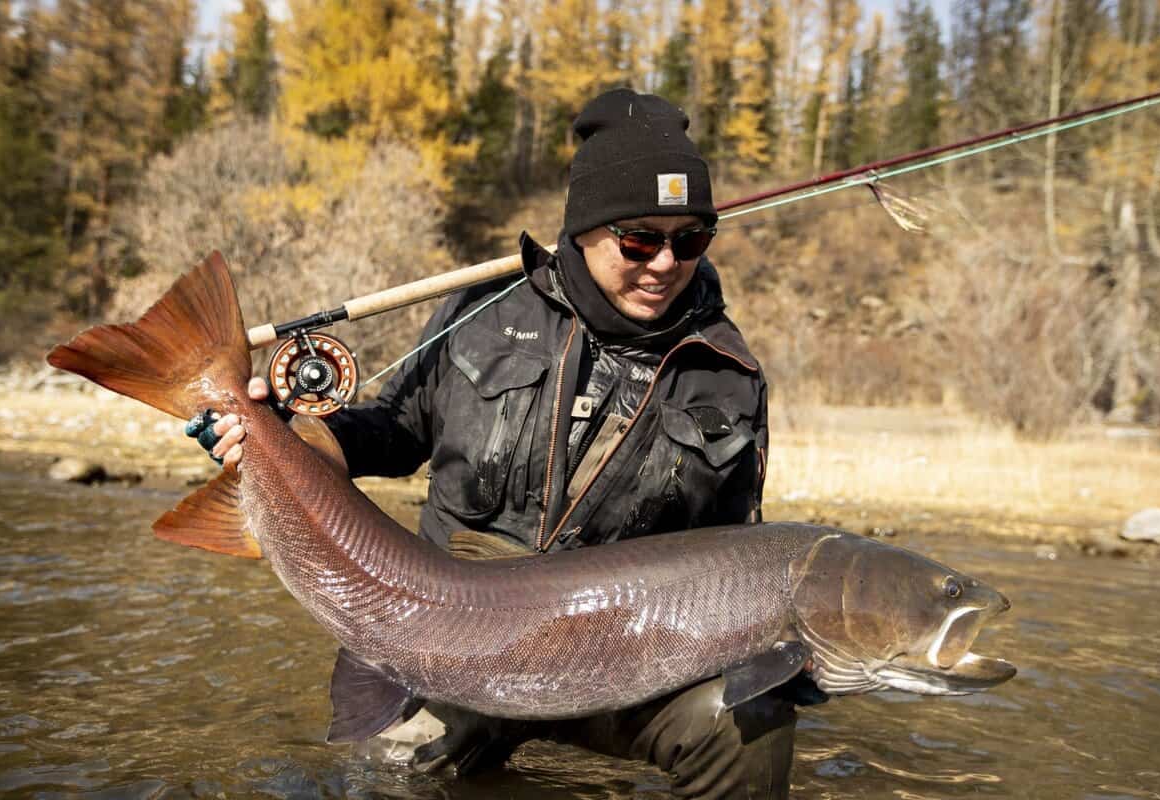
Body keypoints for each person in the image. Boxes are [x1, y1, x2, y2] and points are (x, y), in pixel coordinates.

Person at [192, 88, 814, 799]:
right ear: (585, 228)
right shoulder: (487, 312)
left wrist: (791, 654)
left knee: (749, 726)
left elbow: (736, 559)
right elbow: (392, 432)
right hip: (442, 639)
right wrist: (280, 433)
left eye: (691, 239)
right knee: (379, 784)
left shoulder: (729, 375)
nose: (665, 263)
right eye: (639, 239)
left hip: (626, 663)